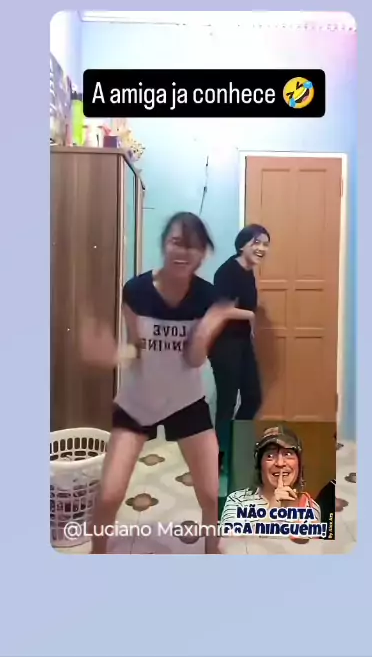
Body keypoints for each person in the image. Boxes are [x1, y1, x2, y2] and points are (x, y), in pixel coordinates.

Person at [80, 211, 252, 554]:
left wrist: (206, 328)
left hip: (186, 402)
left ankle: (212, 551)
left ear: (202, 254)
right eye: (176, 241)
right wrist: (114, 355)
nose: (183, 251)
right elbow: (137, 347)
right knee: (110, 493)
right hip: (137, 402)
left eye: (192, 245)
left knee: (209, 493)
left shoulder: (207, 297)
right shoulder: (136, 291)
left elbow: (195, 359)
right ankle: (96, 555)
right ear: (164, 245)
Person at [209, 224, 270, 472]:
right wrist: (251, 316)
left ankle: (234, 446)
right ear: (242, 245)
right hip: (223, 344)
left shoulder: (248, 272)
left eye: (265, 244)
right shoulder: (227, 272)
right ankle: (219, 458)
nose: (262, 248)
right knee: (226, 403)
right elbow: (221, 310)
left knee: (253, 397)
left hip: (241, 342)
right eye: (257, 242)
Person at [220, 424, 321, 528]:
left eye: (288, 454)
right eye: (270, 456)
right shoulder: (237, 501)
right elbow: (229, 539)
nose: (280, 463)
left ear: (299, 463)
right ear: (260, 464)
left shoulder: (310, 507)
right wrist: (271, 513)